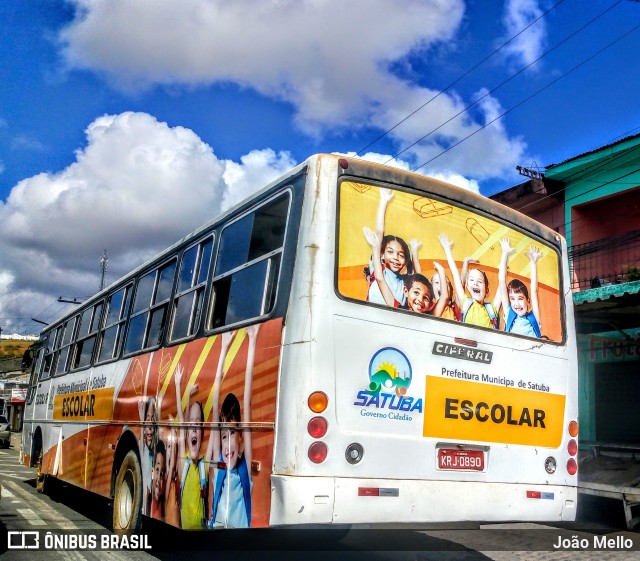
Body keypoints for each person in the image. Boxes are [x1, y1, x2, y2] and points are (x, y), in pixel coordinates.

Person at [207, 325, 260, 528]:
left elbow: (246, 403)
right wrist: (223, 349)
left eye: (232, 434)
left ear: (241, 441)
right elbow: (214, 406)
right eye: (224, 436)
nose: (228, 444)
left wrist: (252, 342)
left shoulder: (244, 469)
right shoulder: (216, 465)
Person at [439, 233, 508, 329]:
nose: (475, 283)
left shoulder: (492, 309)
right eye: (472, 280)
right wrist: (447, 249)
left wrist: (505, 253)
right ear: (467, 286)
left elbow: (502, 283)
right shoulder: (465, 302)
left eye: (480, 281)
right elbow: (455, 275)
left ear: (486, 290)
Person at [363, 188, 415, 307]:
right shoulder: (379, 271)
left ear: (406, 260)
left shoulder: (405, 283)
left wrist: (415, 252)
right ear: (381, 255)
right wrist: (384, 202)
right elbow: (379, 233)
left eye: (401, 255)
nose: (396, 258)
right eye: (390, 252)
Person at [174, 364, 208, 529]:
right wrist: (182, 390)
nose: (194, 427)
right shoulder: (184, 462)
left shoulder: (205, 466)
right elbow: (182, 419)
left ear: (202, 432)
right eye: (191, 424)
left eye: (198, 424)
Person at [499, 238, 542, 338]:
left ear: (528, 300)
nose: (516, 303)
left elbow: (534, 290)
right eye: (512, 299)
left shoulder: (534, 318)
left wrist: (533, 262)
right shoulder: (509, 313)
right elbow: (501, 282)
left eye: (520, 298)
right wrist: (505, 253)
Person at [138, 396, 157, 516]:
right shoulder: (142, 449)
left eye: (153, 421)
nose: (150, 426)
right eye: (147, 419)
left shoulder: (155, 453)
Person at [162, 420, 181, 527]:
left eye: (174, 448)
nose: (172, 451)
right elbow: (172, 463)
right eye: (169, 447)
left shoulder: (177, 481)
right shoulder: (165, 481)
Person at [150, 440, 166, 521]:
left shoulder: (163, 507)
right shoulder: (147, 500)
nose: (159, 479)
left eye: (162, 473)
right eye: (157, 470)